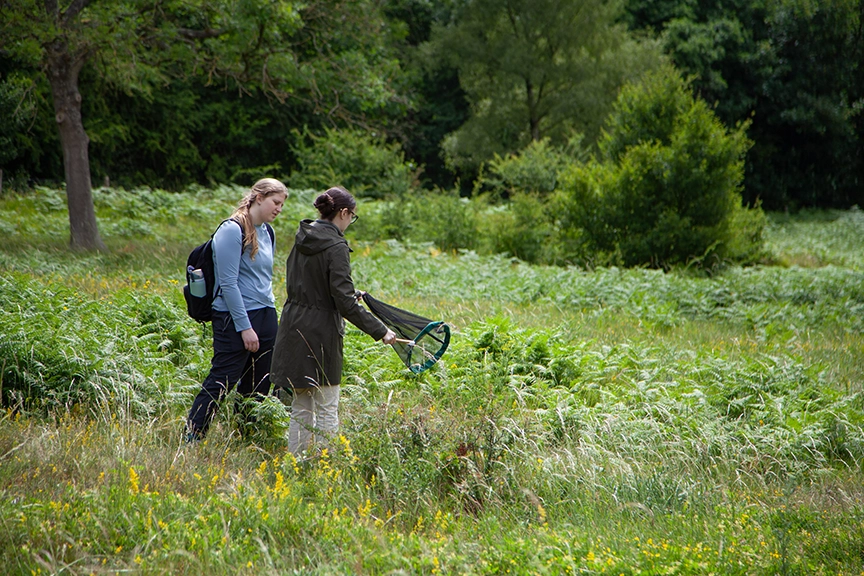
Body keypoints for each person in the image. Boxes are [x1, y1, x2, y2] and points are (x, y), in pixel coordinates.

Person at [270, 186, 396, 456]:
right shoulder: (336, 246)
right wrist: (380, 330)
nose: (351, 223)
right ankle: (326, 468)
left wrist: (346, 295)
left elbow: (314, 286)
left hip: (293, 326)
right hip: (321, 334)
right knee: (327, 405)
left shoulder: (302, 236)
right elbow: (343, 302)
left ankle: (297, 464)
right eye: (352, 217)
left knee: (301, 405)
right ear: (344, 212)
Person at [186, 178, 288, 441]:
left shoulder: (268, 232)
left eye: (282, 205)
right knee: (223, 379)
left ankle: (246, 437)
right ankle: (193, 435)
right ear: (258, 198)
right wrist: (245, 328)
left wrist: (269, 319)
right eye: (275, 203)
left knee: (259, 382)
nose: (279, 209)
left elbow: (263, 279)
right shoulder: (231, 230)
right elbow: (228, 283)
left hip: (266, 313)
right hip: (234, 317)